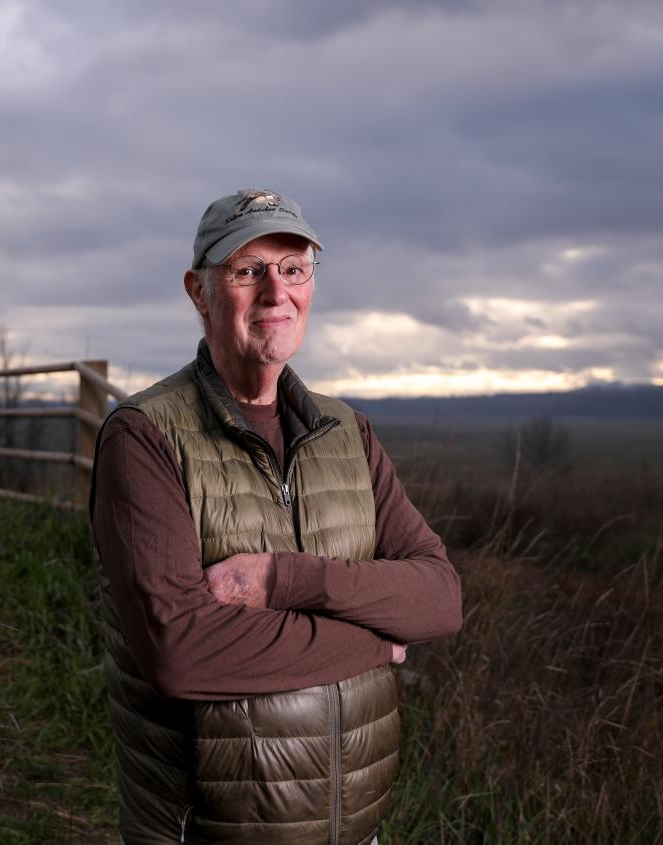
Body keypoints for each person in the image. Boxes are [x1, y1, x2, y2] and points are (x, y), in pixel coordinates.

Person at [89, 188, 462, 845]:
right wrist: (374, 642)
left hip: (357, 830)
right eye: (246, 269)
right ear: (198, 291)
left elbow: (438, 597)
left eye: (293, 268)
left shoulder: (346, 431)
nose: (275, 291)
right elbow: (180, 652)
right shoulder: (146, 436)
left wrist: (285, 580)